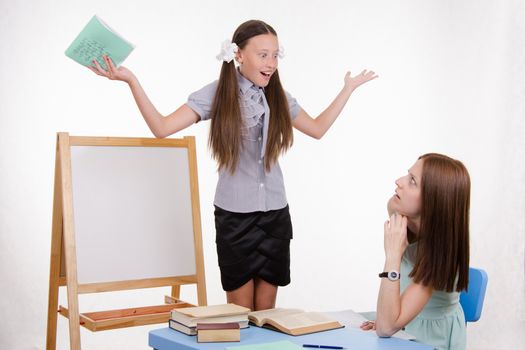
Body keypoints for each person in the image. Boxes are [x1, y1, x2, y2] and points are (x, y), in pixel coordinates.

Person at [89, 19, 377, 311]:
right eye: (263, 54)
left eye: (276, 54)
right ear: (238, 54)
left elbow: (317, 128)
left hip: (275, 216)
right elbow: (162, 127)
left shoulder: (278, 95)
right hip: (235, 218)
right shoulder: (219, 93)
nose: (272, 62)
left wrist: (348, 90)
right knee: (241, 316)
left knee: (265, 318)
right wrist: (131, 81)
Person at [360, 153, 470, 350]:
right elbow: (391, 204)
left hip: (429, 339)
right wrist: (389, 319)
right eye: (407, 175)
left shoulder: (440, 254)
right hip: (403, 323)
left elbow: (386, 328)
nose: (398, 182)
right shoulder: (407, 222)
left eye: (412, 181)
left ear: (434, 200)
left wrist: (393, 256)